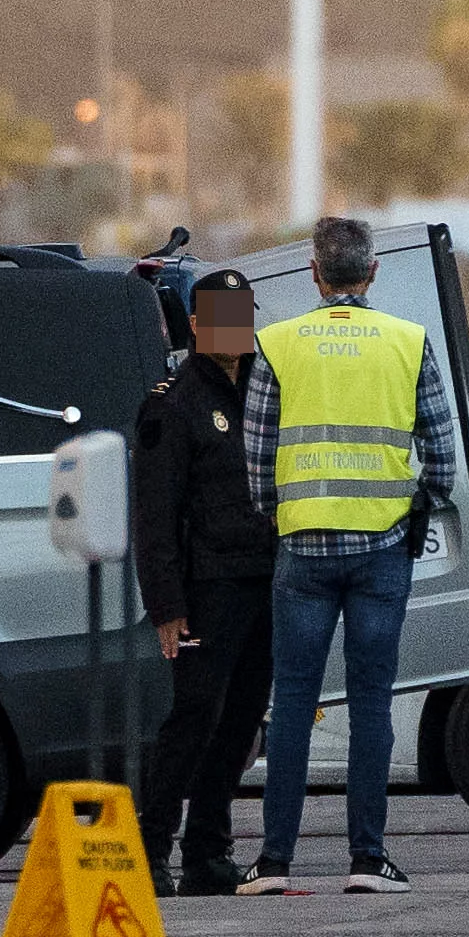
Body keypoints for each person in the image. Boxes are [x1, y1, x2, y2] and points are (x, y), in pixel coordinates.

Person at [239, 215, 459, 894]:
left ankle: (273, 861)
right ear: (372, 272)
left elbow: (255, 457)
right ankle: (367, 857)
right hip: (381, 547)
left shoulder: (276, 342)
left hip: (301, 547)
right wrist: (411, 506)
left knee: (292, 701)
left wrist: (281, 513)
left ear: (313, 272)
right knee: (370, 704)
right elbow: (442, 457)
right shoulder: (407, 341)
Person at [130, 269, 275, 896]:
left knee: (242, 720)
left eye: (241, 315)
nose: (232, 329)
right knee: (195, 716)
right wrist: (166, 606)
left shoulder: (267, 389)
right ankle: (150, 846)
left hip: (265, 579)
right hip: (206, 587)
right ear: (195, 324)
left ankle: (208, 851)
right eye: (219, 316)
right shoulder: (174, 400)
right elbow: (155, 515)